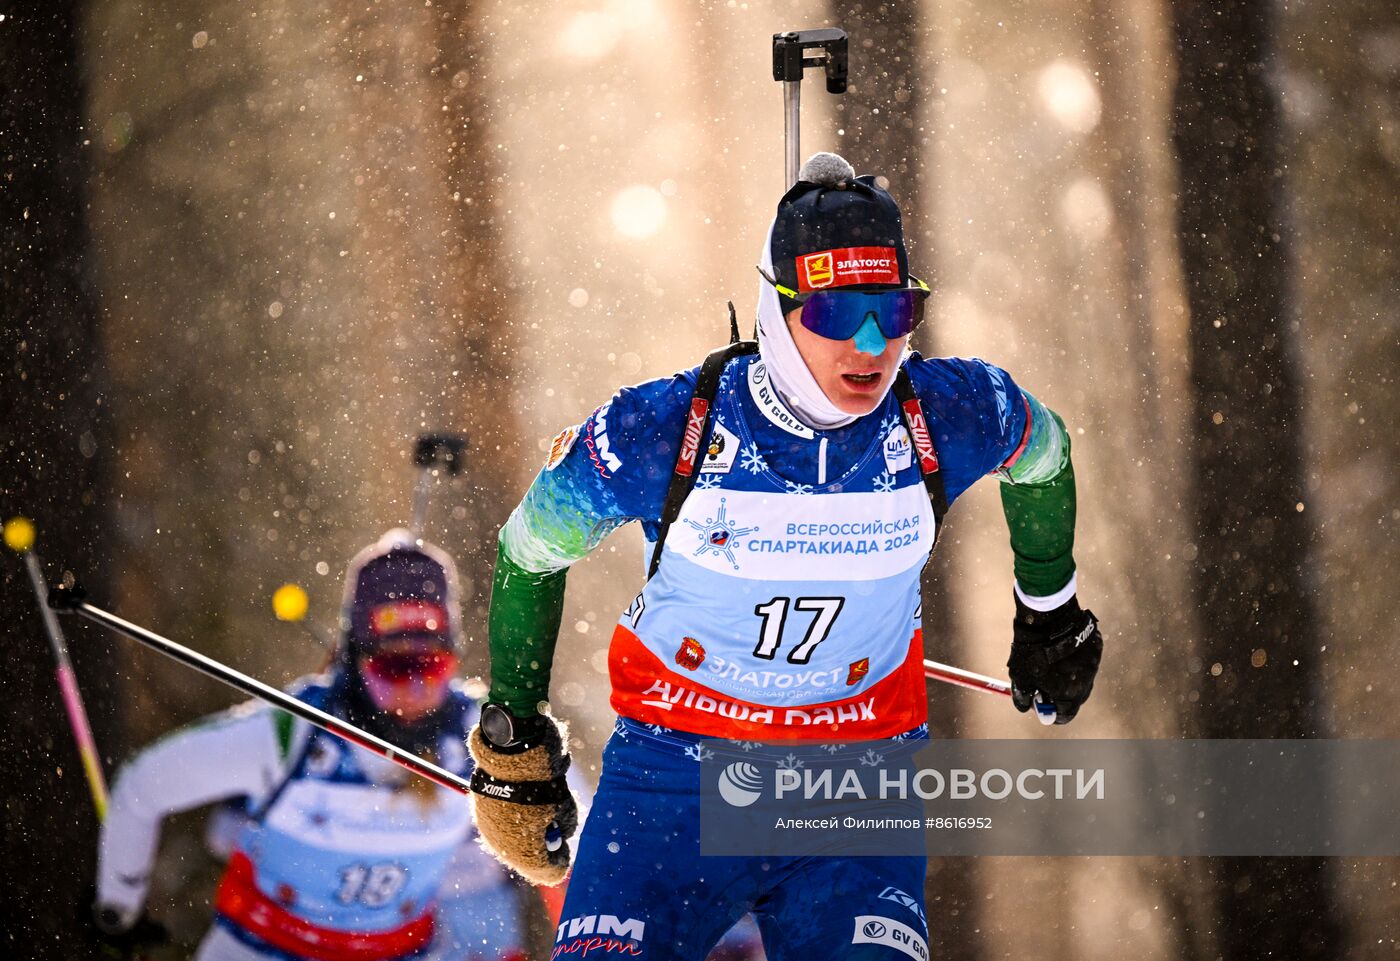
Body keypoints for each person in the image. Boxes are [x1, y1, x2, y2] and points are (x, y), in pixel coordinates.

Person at [467, 153, 1104, 959]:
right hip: (671, 783)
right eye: (839, 313)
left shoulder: (947, 412)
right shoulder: (663, 428)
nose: (872, 344)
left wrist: (1050, 608)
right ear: (778, 306)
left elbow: (1041, 453)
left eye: (895, 309)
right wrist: (511, 737)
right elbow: (528, 550)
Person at [93, 529, 529, 961]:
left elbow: (573, 830)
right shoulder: (291, 733)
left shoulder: (484, 737)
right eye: (394, 669)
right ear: (355, 660)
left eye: (432, 667)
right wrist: (120, 909)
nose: (414, 692)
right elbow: (144, 785)